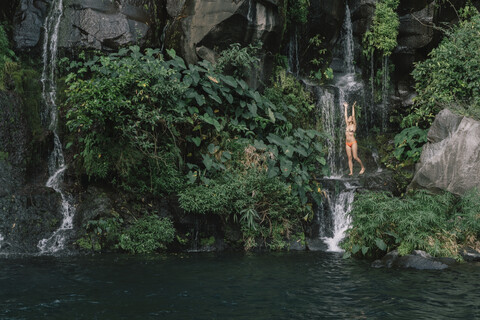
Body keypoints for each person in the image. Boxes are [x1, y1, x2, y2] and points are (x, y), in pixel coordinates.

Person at [344, 101, 365, 176]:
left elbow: (353, 115)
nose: (349, 117)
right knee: (349, 157)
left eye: (350, 117)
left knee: (355, 157)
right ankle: (351, 172)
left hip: (353, 142)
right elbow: (345, 116)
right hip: (347, 143)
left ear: (352, 120)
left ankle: (362, 167)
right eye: (349, 117)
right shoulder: (347, 125)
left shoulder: (354, 125)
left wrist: (353, 107)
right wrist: (345, 107)